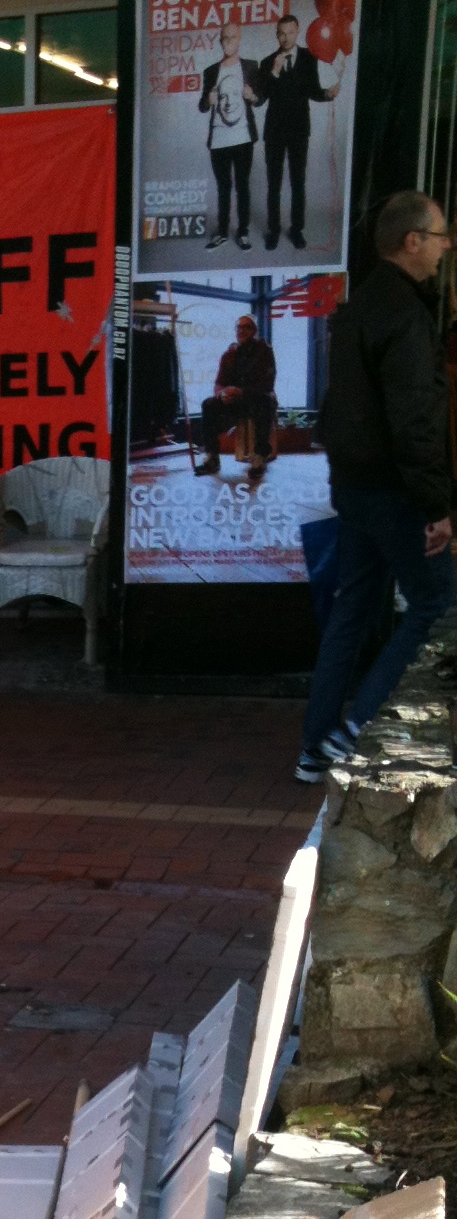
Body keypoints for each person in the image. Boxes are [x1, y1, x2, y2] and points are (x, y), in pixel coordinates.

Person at [296, 191, 456, 784]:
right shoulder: (406, 316)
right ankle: (357, 729)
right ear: (411, 241)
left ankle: (315, 747)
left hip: (355, 488)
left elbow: (342, 408)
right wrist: (438, 507)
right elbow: (414, 423)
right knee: (439, 604)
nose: (446, 247)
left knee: (353, 610)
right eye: (440, 235)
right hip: (395, 492)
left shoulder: (359, 306)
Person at [255, 12, 339, 253]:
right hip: (274, 132)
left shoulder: (308, 58)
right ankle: (273, 230)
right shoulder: (268, 61)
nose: (285, 37)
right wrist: (274, 72)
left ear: (297, 31)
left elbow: (312, 90)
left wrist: (326, 94)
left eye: (290, 32)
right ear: (277, 35)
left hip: (300, 131)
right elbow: (262, 97)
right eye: (281, 33)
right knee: (273, 184)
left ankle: (296, 230)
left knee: (298, 182)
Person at [200, 22, 261, 252]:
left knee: (243, 186)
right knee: (223, 187)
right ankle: (222, 232)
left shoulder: (250, 67)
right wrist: (208, 100)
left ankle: (243, 231)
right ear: (220, 41)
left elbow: (260, 99)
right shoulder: (211, 72)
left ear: (239, 40)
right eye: (225, 38)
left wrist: (251, 95)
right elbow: (202, 107)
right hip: (219, 139)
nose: (228, 42)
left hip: (243, 137)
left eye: (233, 38)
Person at [197, 316, 277, 481]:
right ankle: (212, 456)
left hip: (255, 397)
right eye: (239, 327)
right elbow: (219, 382)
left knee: (265, 402)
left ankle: (260, 457)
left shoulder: (264, 350)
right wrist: (222, 394)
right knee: (209, 404)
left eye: (246, 327)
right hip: (235, 400)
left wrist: (241, 391)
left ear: (254, 330)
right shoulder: (230, 353)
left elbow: (267, 384)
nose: (241, 330)